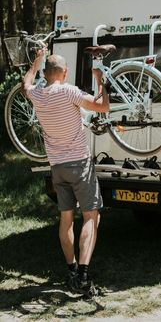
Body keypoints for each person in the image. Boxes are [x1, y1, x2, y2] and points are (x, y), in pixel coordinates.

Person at [22, 49, 109, 298]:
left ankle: (71, 270)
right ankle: (83, 274)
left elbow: (25, 83)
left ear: (46, 73)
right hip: (79, 164)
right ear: (65, 72)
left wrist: (34, 62)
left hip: (57, 167)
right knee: (91, 216)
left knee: (66, 219)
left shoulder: (37, 94)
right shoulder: (68, 91)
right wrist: (101, 80)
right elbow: (102, 107)